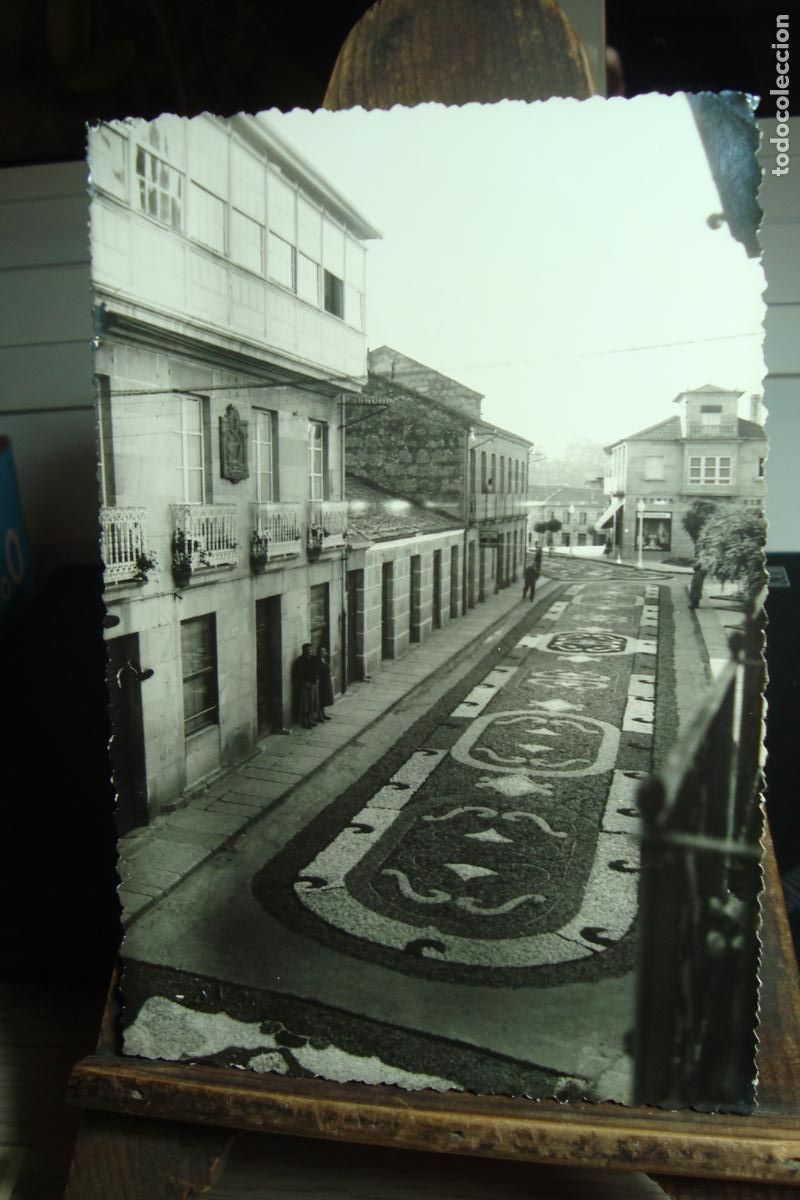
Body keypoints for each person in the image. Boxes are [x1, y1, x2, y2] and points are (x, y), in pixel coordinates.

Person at [295, 642, 319, 729]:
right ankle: (304, 721)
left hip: (313, 683)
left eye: (310, 649)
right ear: (304, 651)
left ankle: (310, 719)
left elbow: (316, 670)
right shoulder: (300, 661)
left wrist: (316, 679)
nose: (309, 651)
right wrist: (305, 682)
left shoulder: (314, 659)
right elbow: (299, 673)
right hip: (305, 685)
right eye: (307, 650)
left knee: (312, 702)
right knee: (305, 704)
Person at [315, 646, 334, 720]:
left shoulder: (325, 660)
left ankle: (323, 713)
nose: (323, 653)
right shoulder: (317, 661)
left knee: (325, 698)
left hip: (326, 681)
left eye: (324, 651)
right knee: (320, 699)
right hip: (321, 682)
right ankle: (319, 715)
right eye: (321, 652)